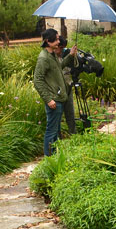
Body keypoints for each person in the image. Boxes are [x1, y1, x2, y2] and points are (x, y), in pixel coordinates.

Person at [33, 28, 77, 156]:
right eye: (56, 39)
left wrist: (71, 55)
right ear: (48, 41)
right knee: (51, 132)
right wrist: (48, 99)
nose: (59, 41)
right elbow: (37, 80)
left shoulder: (52, 55)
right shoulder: (43, 58)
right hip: (54, 100)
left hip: (59, 98)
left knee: (56, 132)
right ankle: (49, 160)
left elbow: (60, 67)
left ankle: (55, 157)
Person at [55, 36, 77, 135]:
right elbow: (58, 67)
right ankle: (57, 139)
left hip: (68, 86)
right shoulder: (50, 57)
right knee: (57, 116)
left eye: (63, 48)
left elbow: (75, 66)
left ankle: (73, 135)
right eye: (60, 48)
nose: (61, 50)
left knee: (70, 113)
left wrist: (73, 56)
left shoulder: (66, 53)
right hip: (56, 91)